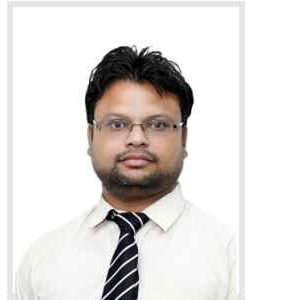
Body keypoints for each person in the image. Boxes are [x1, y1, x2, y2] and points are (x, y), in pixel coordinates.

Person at [15, 45, 238, 300]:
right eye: (117, 124)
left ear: (184, 137)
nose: (137, 138)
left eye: (158, 124)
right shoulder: (40, 262)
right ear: (90, 136)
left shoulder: (230, 256)